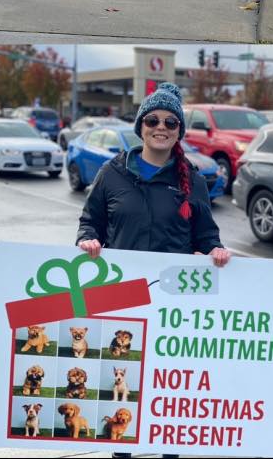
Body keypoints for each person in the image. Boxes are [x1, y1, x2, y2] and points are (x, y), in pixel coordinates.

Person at [75, 82, 230, 459]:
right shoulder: (112, 173)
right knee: (125, 377)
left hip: (171, 299)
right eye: (153, 120)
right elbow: (91, 220)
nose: (161, 127)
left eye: (170, 122)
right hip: (123, 296)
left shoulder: (191, 179)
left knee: (165, 384)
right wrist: (88, 239)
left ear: (179, 131)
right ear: (141, 125)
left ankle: (168, 450)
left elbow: (206, 232)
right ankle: (121, 451)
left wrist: (215, 249)